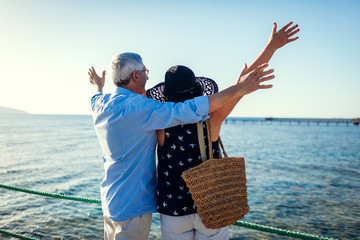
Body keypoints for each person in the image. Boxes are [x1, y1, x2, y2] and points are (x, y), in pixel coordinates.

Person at [89, 51, 274, 239]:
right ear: (135, 75)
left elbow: (97, 98)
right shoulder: (206, 121)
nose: (147, 75)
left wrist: (98, 87)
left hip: (155, 208)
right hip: (204, 207)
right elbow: (230, 93)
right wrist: (243, 82)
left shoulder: (104, 104)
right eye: (145, 72)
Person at [146, 22, 299, 239]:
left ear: (167, 96)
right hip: (210, 208)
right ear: (199, 92)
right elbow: (241, 87)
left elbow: (133, 99)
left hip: (173, 211)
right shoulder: (212, 120)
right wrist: (272, 46)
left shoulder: (159, 124)